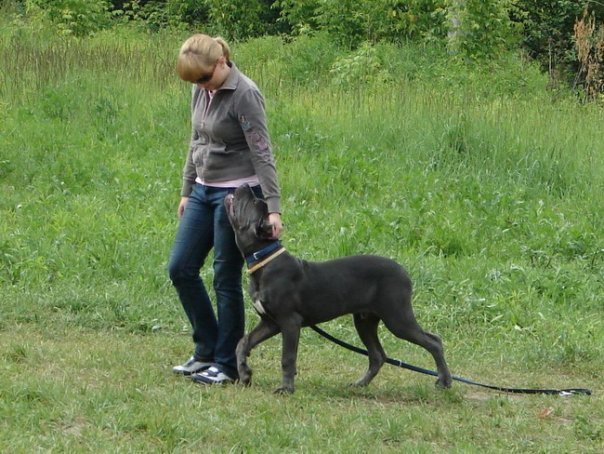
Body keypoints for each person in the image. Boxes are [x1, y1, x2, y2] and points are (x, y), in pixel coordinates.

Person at [168, 34, 283, 385]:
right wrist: (188, 188)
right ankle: (205, 349)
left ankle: (228, 364)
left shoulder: (245, 93)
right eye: (194, 81)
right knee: (181, 268)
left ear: (221, 62)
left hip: (236, 197)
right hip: (203, 190)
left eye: (204, 78)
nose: (200, 85)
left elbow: (262, 151)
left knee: (224, 276)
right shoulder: (200, 88)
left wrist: (273, 208)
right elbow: (197, 140)